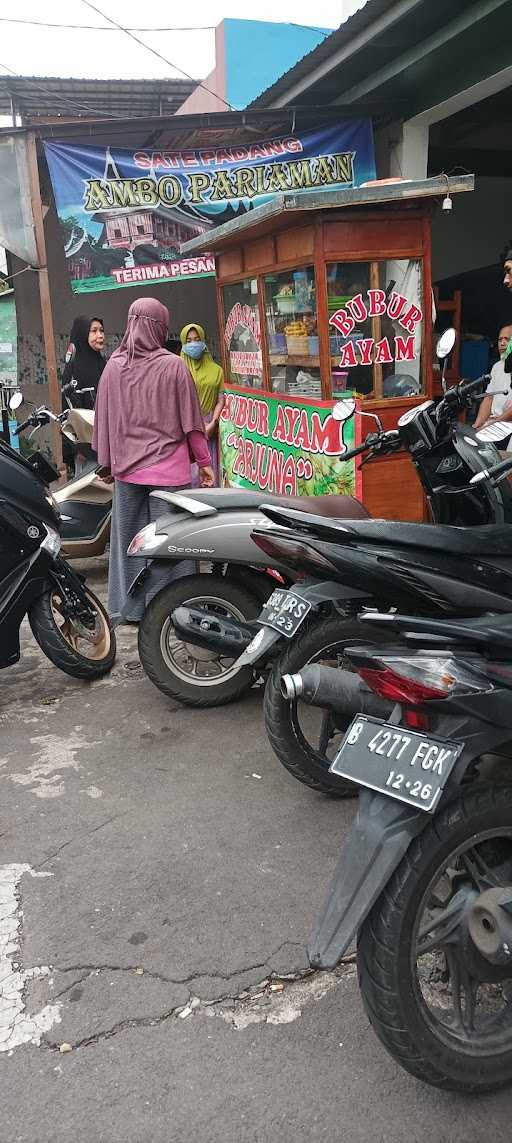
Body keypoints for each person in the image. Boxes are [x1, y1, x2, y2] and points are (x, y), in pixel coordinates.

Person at [92, 298, 213, 626]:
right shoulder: (174, 366)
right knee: (171, 543)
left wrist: (105, 464)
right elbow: (192, 422)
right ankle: (176, 610)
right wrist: (204, 462)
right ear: (160, 327)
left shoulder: (114, 367)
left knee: (129, 543)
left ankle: (129, 610)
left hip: (128, 472)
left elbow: (104, 420)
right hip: (169, 475)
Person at [180, 323, 224, 480]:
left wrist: (213, 422)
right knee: (190, 478)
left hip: (209, 428)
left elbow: (220, 399)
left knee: (210, 476)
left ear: (203, 342)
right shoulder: (177, 369)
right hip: (185, 431)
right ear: (183, 344)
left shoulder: (217, 370)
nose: (193, 344)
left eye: (197, 340)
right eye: (189, 341)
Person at [473, 324, 512, 434]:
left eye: (507, 339)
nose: (502, 343)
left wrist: (494, 423)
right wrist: (478, 425)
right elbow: (489, 398)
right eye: (500, 340)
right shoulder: (497, 367)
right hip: (494, 425)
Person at [61, 315, 106, 410]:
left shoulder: (103, 364)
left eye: (101, 330)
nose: (100, 335)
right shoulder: (74, 368)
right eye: (94, 331)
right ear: (82, 334)